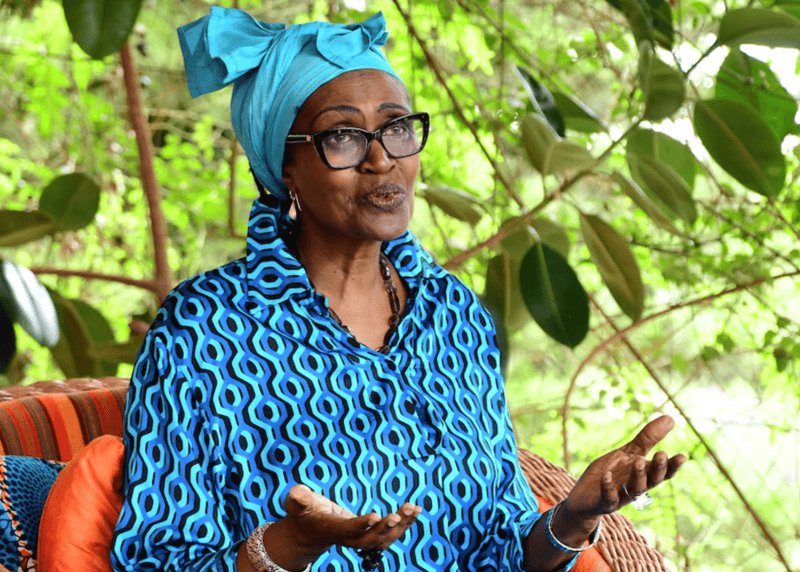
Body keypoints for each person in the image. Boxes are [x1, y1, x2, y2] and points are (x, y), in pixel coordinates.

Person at [110, 8, 685, 572]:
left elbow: (498, 553)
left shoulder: (455, 317)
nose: (382, 158)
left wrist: (572, 518)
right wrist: (291, 544)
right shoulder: (206, 328)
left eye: (397, 127)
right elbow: (154, 560)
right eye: (342, 136)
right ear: (284, 167)